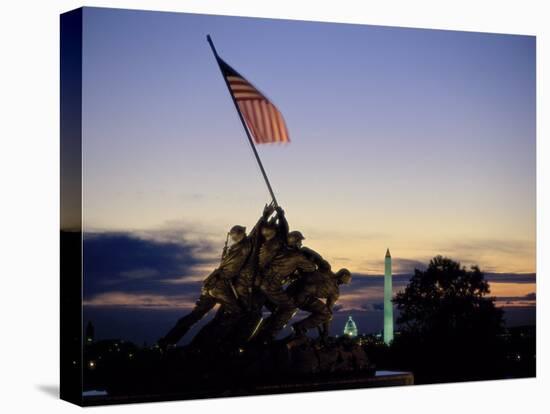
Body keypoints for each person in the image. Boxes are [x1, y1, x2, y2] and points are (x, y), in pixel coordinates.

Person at [158, 223, 255, 348]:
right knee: (237, 312)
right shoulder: (244, 247)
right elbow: (250, 244)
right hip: (220, 286)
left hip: (211, 284)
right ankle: (208, 342)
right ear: (241, 234)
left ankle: (168, 341)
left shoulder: (231, 249)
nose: (234, 238)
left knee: (195, 315)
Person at [289, 268, 352, 340]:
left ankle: (299, 328)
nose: (343, 284)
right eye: (344, 282)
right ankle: (299, 327)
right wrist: (326, 331)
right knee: (327, 314)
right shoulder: (335, 291)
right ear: (343, 278)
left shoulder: (327, 271)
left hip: (296, 290)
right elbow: (328, 312)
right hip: (301, 295)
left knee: (325, 313)